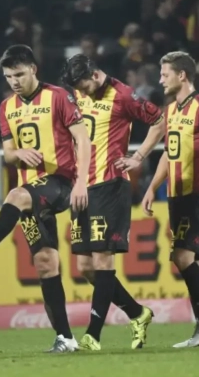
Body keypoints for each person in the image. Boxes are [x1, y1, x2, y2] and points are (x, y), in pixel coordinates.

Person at [0, 45, 91, 353]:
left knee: (15, 194)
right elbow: (8, 153)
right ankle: (66, 338)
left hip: (60, 182)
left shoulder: (59, 96)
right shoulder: (6, 107)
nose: (14, 81)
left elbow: (83, 139)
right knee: (45, 263)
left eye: (19, 74)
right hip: (30, 194)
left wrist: (82, 181)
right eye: (8, 77)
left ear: (33, 69)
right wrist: (18, 153)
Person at [60, 54, 165, 350]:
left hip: (110, 185)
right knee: (85, 266)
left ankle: (92, 335)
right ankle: (138, 313)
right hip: (82, 187)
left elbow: (159, 121)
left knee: (103, 258)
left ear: (95, 75)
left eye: (82, 85)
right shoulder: (79, 94)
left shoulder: (124, 95)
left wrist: (138, 156)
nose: (80, 92)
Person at [141, 51, 199, 348]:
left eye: (165, 74)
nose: (160, 80)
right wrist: (152, 187)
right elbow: (169, 154)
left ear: (182, 75)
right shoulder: (170, 111)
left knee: (182, 257)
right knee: (189, 260)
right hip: (176, 196)